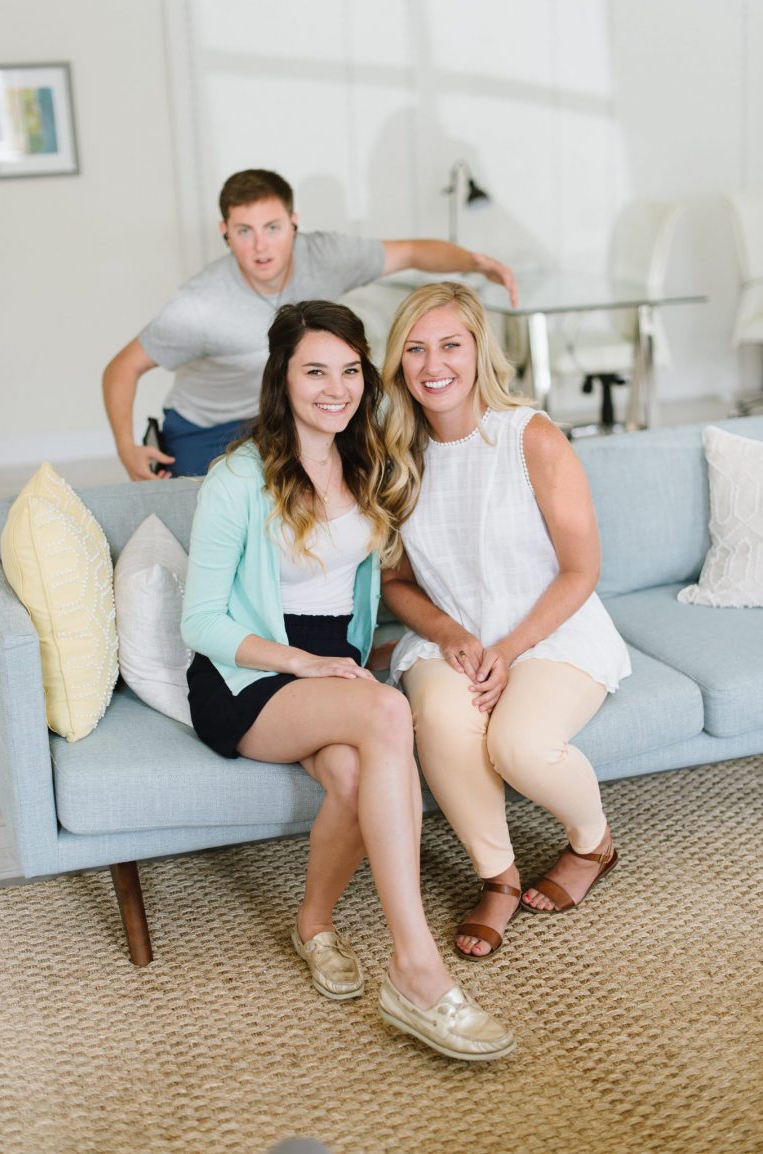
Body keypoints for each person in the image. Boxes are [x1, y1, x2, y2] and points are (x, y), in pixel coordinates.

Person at [180, 298, 516, 1061]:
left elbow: (388, 578)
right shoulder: (238, 478)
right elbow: (198, 622)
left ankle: (314, 926)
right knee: (390, 717)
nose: (336, 388)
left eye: (350, 371)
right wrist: (306, 663)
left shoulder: (369, 462)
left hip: (333, 665)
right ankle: (417, 969)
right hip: (249, 673)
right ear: (281, 378)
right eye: (314, 371)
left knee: (359, 776)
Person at [379, 282, 631, 961]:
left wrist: (509, 649)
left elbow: (582, 568)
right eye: (416, 348)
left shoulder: (532, 438)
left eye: (451, 345)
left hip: (551, 631)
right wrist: (455, 637)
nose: (435, 364)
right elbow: (396, 583)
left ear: (478, 350)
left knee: (517, 744)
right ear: (398, 363)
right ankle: (499, 877)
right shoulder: (396, 459)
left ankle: (592, 843)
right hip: (451, 637)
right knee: (444, 721)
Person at [103, 168, 518, 481]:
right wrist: (125, 447)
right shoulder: (200, 305)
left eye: (272, 228)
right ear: (225, 232)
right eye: (244, 231)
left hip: (287, 411)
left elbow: (409, 251)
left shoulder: (325, 256)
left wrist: (477, 262)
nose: (260, 246)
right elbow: (122, 368)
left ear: (294, 222)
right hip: (209, 427)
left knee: (355, 475)